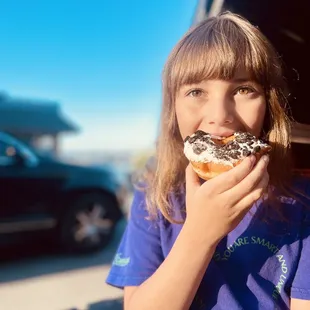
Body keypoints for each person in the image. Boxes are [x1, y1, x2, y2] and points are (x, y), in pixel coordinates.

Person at [106, 12, 310, 310]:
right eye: (196, 91)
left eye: (243, 90)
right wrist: (199, 234)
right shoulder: (155, 194)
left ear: (269, 103)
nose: (220, 115)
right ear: (172, 107)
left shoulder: (302, 202)